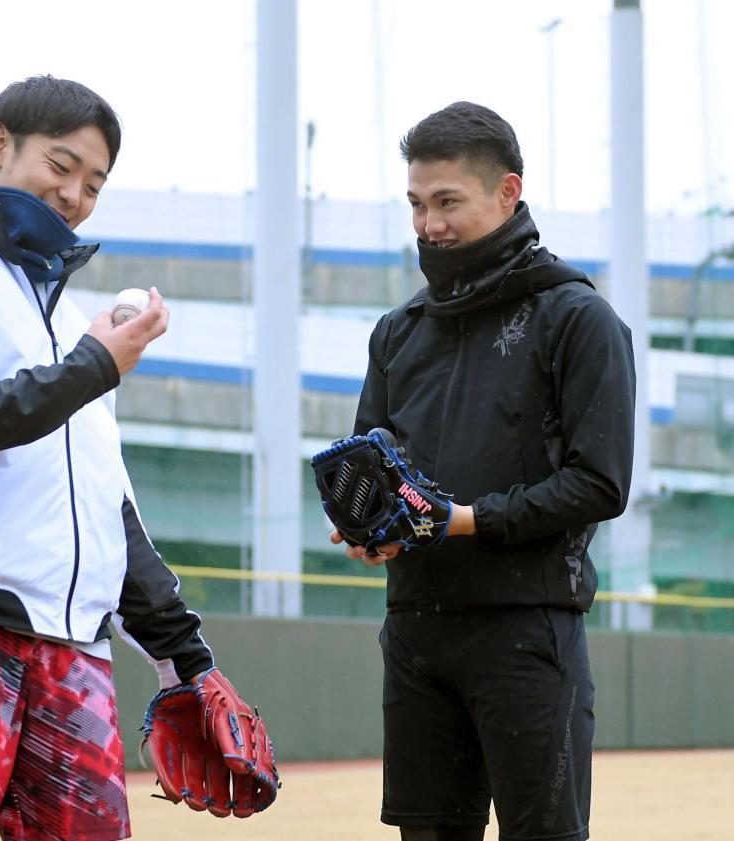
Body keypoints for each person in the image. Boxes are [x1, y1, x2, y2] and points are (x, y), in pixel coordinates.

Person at [0, 75, 274, 841]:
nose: (74, 194)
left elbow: (108, 510)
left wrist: (185, 659)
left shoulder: (70, 323)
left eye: (94, 184)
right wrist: (92, 367)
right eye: (61, 165)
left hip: (74, 648)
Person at [331, 102, 636, 841]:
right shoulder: (397, 332)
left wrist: (469, 521)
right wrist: (368, 526)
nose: (428, 224)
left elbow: (601, 483)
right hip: (415, 632)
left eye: (447, 202)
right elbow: (369, 464)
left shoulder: (577, 318)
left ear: (507, 192)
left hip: (527, 631)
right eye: (416, 204)